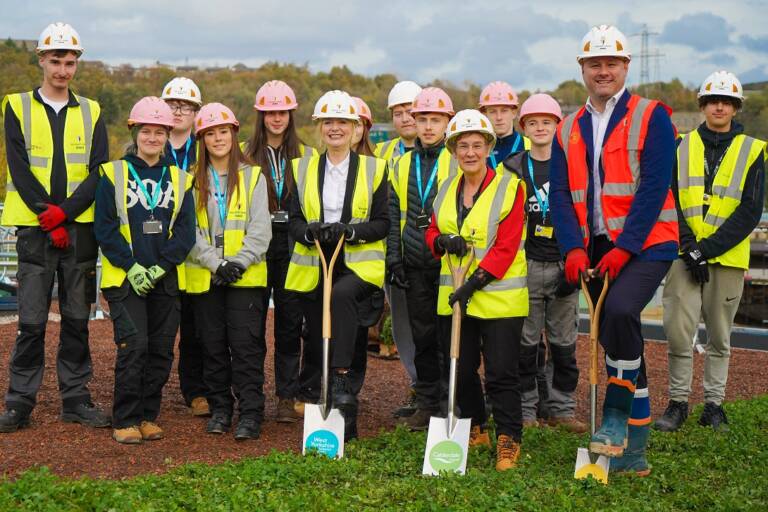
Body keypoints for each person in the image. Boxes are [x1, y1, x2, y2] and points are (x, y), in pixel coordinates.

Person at [549, 25, 678, 476]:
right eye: (594, 64)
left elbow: (653, 188)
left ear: (626, 67)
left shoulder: (652, 115)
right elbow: (561, 194)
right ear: (582, 69)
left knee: (621, 312)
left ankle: (615, 417)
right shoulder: (568, 128)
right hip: (596, 246)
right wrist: (572, 248)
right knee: (618, 339)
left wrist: (625, 248)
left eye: (611, 63)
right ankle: (634, 453)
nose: (603, 71)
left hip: (650, 242)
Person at [0, 22, 110, 433]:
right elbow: (19, 168)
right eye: (56, 61)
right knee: (30, 320)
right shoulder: (16, 105)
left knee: (78, 318)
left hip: (78, 229)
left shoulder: (93, 110)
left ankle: (76, 398)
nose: (63, 70)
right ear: (41, 60)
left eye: (69, 62)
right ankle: (19, 402)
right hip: (34, 229)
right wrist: (48, 217)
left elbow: (98, 171)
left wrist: (65, 215)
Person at [656, 71, 765, 433]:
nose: (720, 106)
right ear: (702, 105)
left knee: (719, 336)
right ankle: (677, 403)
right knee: (677, 331)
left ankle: (714, 406)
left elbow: (749, 212)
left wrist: (706, 250)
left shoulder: (753, 151)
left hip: (727, 258)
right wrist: (690, 248)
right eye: (713, 100)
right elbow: (668, 197)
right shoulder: (680, 145)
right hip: (684, 256)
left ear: (735, 108)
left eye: (727, 101)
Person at [425, 109, 528, 471]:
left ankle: (509, 438)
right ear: (453, 151)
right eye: (463, 146)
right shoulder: (445, 190)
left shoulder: (510, 187)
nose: (470, 152)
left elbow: (507, 246)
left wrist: (473, 284)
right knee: (460, 367)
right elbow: (432, 230)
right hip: (454, 297)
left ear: (488, 148)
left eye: (477, 145)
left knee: (501, 371)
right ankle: (476, 426)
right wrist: (441, 240)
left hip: (499, 298)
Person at [285, 90, 389, 440]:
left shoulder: (374, 169)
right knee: (317, 334)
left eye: (342, 122)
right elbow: (294, 220)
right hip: (314, 262)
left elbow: (383, 222)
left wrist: (351, 231)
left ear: (356, 128)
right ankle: (326, 397)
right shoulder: (302, 168)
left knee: (343, 301)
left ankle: (343, 382)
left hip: (357, 265)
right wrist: (309, 232)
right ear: (319, 127)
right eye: (328, 121)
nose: (335, 128)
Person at [94, 97, 195, 444]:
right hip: (125, 278)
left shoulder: (181, 179)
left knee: (161, 349)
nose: (152, 138)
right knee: (134, 345)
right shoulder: (113, 173)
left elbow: (185, 232)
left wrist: (163, 266)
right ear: (134, 132)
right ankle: (125, 417)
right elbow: (105, 228)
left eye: (159, 132)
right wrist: (132, 266)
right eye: (146, 131)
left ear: (168, 135)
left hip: (164, 278)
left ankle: (148, 414)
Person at [185, 103, 272, 440]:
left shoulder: (253, 176)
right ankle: (221, 409)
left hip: (245, 279)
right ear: (202, 139)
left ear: (234, 135)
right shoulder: (192, 179)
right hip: (208, 278)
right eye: (210, 133)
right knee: (213, 346)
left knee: (246, 347)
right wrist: (215, 263)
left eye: (223, 131)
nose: (218, 138)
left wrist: (237, 262)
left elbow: (261, 229)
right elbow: (188, 231)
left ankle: (251, 413)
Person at [505, 94, 586, 433]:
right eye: (533, 123)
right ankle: (526, 410)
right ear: (523, 127)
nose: (540, 128)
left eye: (547, 122)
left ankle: (560, 409)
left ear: (558, 126)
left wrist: (577, 258)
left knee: (564, 344)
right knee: (524, 346)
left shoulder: (571, 163)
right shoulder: (510, 167)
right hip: (526, 264)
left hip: (564, 262)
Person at [242, 80, 315, 422]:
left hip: (293, 245)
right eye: (270, 112)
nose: (276, 118)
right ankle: (250, 397)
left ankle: (287, 397)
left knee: (289, 324)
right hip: (257, 246)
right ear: (260, 115)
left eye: (282, 111)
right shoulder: (243, 153)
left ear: (291, 114)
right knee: (252, 326)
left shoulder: (308, 155)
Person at [388, 87, 457, 431]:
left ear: (448, 122)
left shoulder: (457, 161)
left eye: (436, 120)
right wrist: (394, 258)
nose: (429, 127)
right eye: (423, 119)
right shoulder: (401, 165)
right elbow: (392, 214)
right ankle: (428, 404)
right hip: (414, 263)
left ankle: (453, 402)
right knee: (423, 337)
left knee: (450, 336)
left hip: (448, 266)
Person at [160, 76, 209, 417]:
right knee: (159, 329)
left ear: (196, 113)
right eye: (173, 105)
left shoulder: (206, 150)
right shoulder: (147, 146)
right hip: (157, 249)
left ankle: (195, 391)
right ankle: (150, 393)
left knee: (194, 328)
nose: (178, 112)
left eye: (186, 107)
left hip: (194, 250)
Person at [374, 80, 422, 417]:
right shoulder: (382, 154)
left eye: (410, 111)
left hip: (430, 254)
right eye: (398, 112)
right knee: (403, 325)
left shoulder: (445, 150)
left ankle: (439, 389)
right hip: (394, 252)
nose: (405, 118)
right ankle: (419, 386)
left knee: (433, 325)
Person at [478, 81, 530, 169]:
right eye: (493, 111)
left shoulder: (530, 146)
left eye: (504, 111)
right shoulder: (476, 149)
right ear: (485, 115)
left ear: (514, 113)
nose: (499, 117)